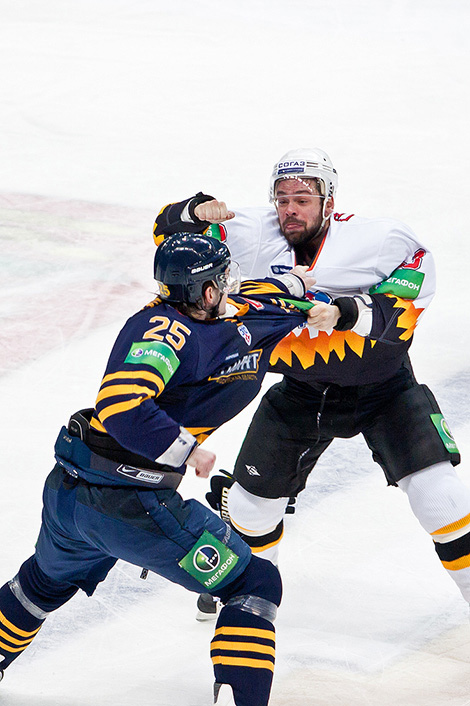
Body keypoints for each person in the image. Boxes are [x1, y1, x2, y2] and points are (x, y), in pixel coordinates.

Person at [0, 233, 318, 706]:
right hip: (127, 503)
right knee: (254, 583)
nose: (228, 285)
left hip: (72, 491)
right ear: (206, 292)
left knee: (41, 585)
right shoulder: (164, 331)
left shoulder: (218, 312)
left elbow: (265, 297)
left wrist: (299, 287)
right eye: (221, 279)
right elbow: (120, 405)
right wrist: (185, 450)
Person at [153, 149, 470, 620]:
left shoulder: (377, 239)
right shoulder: (248, 231)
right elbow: (172, 244)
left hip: (384, 388)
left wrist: (349, 312)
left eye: (302, 199)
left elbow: (418, 273)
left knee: (441, 499)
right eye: (282, 199)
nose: (290, 209)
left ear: (328, 201)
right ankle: (249, 595)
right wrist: (191, 212)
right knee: (251, 509)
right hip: (302, 391)